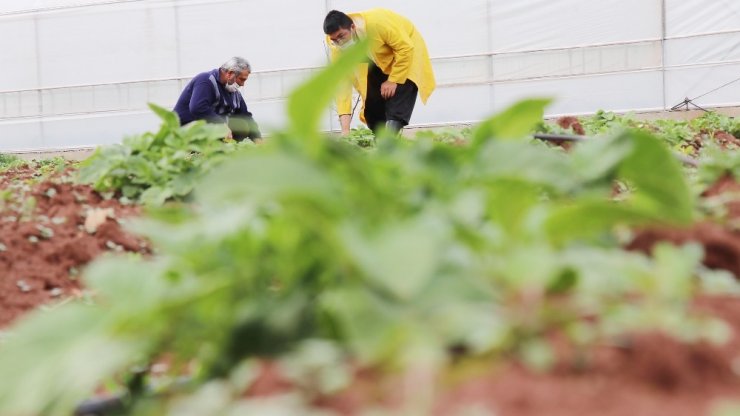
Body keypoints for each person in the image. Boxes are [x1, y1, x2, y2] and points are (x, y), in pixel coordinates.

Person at [323, 9, 436, 136]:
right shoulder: (336, 47)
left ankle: (388, 144)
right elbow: (342, 84)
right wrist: (345, 130)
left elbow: (405, 48)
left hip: (407, 51)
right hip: (378, 59)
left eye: (342, 36)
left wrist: (393, 80)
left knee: (400, 93)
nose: (340, 42)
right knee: (372, 107)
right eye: (335, 40)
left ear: (352, 27)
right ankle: (380, 141)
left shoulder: (377, 24)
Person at [173, 57, 262, 143]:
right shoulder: (205, 80)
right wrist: (221, 125)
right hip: (186, 128)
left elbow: (245, 116)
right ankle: (197, 151)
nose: (242, 84)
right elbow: (198, 108)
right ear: (230, 73)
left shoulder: (233, 91)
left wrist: (258, 139)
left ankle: (223, 149)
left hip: (210, 129)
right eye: (241, 79)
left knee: (242, 125)